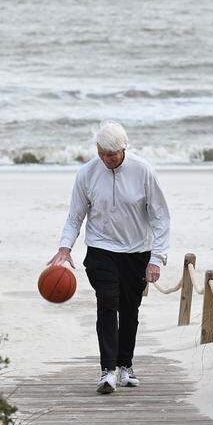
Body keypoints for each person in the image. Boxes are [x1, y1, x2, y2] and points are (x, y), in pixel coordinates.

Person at [49, 121, 170, 394]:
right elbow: (75, 215)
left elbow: (161, 217)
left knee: (130, 309)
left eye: (112, 154)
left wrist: (157, 258)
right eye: (102, 153)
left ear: (124, 149)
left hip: (136, 251)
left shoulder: (143, 171)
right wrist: (64, 248)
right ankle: (108, 371)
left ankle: (125, 366)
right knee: (107, 302)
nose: (106, 159)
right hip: (101, 250)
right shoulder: (87, 173)